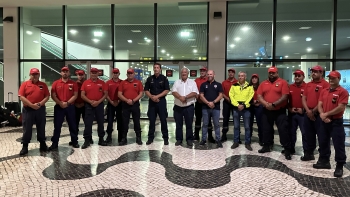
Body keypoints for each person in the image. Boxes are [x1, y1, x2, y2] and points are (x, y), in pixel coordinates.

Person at [314, 71, 348, 178]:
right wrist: (322, 115)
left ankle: (339, 165)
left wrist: (326, 114)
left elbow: (341, 107)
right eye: (330, 78)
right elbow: (320, 104)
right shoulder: (324, 91)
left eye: (333, 78)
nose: (331, 80)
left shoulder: (342, 92)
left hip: (336, 122)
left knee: (339, 144)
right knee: (323, 141)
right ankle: (324, 161)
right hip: (324, 121)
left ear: (339, 79)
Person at [257, 66, 292, 160]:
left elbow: (285, 96)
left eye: (273, 73)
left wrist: (274, 104)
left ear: (277, 73)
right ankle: (267, 146)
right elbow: (259, 95)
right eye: (270, 73)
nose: (271, 74)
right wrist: (266, 104)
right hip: (266, 110)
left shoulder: (283, 82)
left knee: (283, 130)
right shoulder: (263, 83)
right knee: (266, 129)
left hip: (280, 111)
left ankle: (287, 149)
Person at [18, 68, 50, 155]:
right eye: (33, 74)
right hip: (28, 110)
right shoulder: (24, 84)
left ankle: (42, 144)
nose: (35, 76)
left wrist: (39, 104)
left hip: (40, 109)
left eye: (36, 74)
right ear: (30, 75)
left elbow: (47, 96)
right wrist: (31, 105)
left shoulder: (43, 85)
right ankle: (25, 146)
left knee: (41, 127)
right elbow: (21, 97)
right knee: (27, 128)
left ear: (39, 75)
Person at [301, 65, 330, 161]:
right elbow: (304, 98)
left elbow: (324, 101)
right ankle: (309, 154)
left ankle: (324, 158)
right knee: (309, 135)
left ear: (321, 73)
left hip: (319, 115)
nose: (313, 73)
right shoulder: (308, 84)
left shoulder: (326, 85)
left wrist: (313, 111)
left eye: (316, 71)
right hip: (308, 114)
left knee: (322, 136)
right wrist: (308, 111)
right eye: (312, 71)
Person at [49, 66, 79, 150]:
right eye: (63, 71)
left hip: (70, 107)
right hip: (59, 107)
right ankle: (55, 143)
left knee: (72, 125)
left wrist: (68, 103)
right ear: (61, 73)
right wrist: (60, 103)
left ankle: (74, 141)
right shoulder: (56, 83)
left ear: (69, 73)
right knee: (57, 126)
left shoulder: (73, 83)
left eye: (66, 71)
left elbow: (75, 95)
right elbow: (53, 95)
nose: (65, 73)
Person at [80, 67, 108, 149]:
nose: (94, 74)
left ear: (98, 74)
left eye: (95, 73)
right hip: (89, 105)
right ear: (90, 73)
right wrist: (91, 102)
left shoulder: (102, 83)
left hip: (99, 105)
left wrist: (98, 102)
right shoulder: (85, 83)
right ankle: (87, 140)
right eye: (92, 73)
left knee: (100, 123)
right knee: (88, 123)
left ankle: (101, 139)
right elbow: (82, 95)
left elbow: (105, 94)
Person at [144, 63, 170, 145]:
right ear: (153, 69)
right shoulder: (149, 79)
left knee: (163, 120)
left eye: (157, 67)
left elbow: (166, 90)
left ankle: (165, 138)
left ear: (160, 69)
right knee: (152, 121)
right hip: (152, 102)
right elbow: (146, 90)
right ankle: (150, 138)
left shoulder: (164, 78)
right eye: (154, 68)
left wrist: (157, 97)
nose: (156, 69)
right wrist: (152, 97)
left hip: (161, 102)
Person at [172, 68, 199, 146]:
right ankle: (179, 139)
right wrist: (180, 97)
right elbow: (173, 91)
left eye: (185, 72)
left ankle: (189, 139)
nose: (184, 73)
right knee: (178, 124)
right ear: (181, 74)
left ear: (188, 73)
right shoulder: (177, 82)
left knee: (189, 124)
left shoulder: (192, 82)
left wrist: (185, 97)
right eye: (182, 72)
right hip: (178, 107)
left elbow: (195, 92)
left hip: (189, 107)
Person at [118, 68, 144, 146]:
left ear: (134, 74)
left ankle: (138, 138)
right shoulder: (123, 83)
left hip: (135, 104)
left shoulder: (138, 82)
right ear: (127, 74)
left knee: (136, 121)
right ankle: (124, 138)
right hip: (125, 105)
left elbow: (141, 93)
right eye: (128, 73)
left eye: (131, 73)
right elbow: (119, 94)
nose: (130, 75)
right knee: (124, 122)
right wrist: (127, 100)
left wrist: (133, 100)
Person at [229, 71, 254, 150]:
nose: (240, 77)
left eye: (242, 76)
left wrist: (243, 105)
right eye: (239, 76)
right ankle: (236, 142)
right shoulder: (234, 86)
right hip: (236, 108)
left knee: (247, 127)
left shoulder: (250, 86)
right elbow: (231, 96)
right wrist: (237, 105)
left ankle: (247, 143)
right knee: (236, 126)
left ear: (245, 77)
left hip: (246, 108)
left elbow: (251, 96)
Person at [199, 70, 223, 148]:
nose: (209, 75)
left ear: (214, 75)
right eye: (208, 74)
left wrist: (213, 102)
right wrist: (208, 103)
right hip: (205, 108)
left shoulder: (218, 85)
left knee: (216, 124)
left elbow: (220, 95)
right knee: (205, 124)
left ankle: (218, 140)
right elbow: (201, 95)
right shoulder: (203, 84)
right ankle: (203, 139)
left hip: (216, 108)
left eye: (211, 74)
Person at [287, 69, 306, 155]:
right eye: (296, 76)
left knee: (305, 132)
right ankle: (291, 148)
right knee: (291, 132)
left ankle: (307, 151)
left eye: (299, 76)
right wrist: (289, 108)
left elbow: (310, 101)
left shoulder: (307, 87)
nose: (297, 77)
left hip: (303, 114)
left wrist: (303, 109)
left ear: (303, 77)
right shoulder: (290, 87)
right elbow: (286, 100)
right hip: (292, 114)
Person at [194, 67, 214, 143]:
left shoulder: (208, 80)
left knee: (208, 120)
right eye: (201, 71)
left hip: (206, 103)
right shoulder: (196, 80)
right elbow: (194, 90)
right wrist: (197, 98)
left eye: (203, 71)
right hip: (198, 102)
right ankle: (196, 135)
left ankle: (210, 136)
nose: (202, 72)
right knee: (198, 119)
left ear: (206, 72)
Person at [105, 68, 123, 143]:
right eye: (114, 73)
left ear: (119, 74)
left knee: (120, 121)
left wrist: (119, 101)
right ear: (112, 74)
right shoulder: (108, 83)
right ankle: (109, 136)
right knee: (110, 121)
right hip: (111, 103)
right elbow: (106, 94)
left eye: (117, 73)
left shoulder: (122, 82)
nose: (115, 74)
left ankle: (120, 137)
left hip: (120, 103)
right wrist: (111, 101)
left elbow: (123, 93)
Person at [221, 68, 237, 142]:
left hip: (235, 103)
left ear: (234, 74)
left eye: (232, 72)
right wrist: (227, 98)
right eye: (229, 72)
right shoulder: (224, 82)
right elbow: (222, 93)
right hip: (226, 102)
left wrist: (234, 100)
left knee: (235, 119)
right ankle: (224, 135)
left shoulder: (237, 82)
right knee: (225, 119)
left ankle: (237, 136)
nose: (231, 74)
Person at [249, 74, 263, 146]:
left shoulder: (261, 87)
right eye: (253, 78)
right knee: (249, 123)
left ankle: (261, 139)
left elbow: (263, 96)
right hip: (251, 106)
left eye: (255, 78)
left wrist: (258, 102)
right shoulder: (248, 87)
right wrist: (252, 102)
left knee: (260, 123)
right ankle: (249, 139)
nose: (254, 79)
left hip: (259, 106)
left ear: (258, 79)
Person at [74, 70, 87, 143]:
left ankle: (88, 138)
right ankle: (74, 139)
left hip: (85, 106)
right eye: (79, 75)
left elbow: (88, 95)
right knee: (75, 123)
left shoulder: (87, 83)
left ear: (84, 75)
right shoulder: (74, 84)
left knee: (87, 123)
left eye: (82, 75)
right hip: (75, 106)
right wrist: (75, 103)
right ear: (77, 76)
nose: (80, 76)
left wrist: (84, 103)